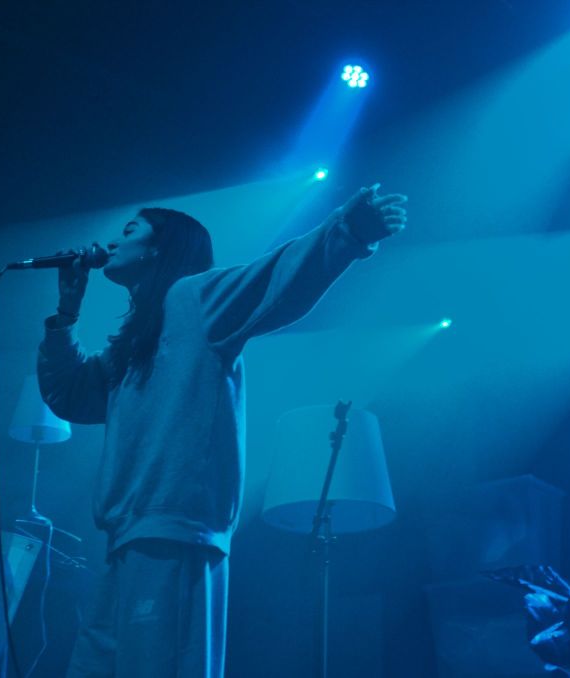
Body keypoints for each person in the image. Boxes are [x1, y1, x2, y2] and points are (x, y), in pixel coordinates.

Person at [36, 184, 408, 677]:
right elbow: (69, 396)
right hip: (125, 541)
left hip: (173, 534)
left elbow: (274, 280)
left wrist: (347, 230)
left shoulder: (193, 298)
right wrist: (65, 315)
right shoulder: (130, 345)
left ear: (159, 248)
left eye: (130, 230)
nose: (113, 241)